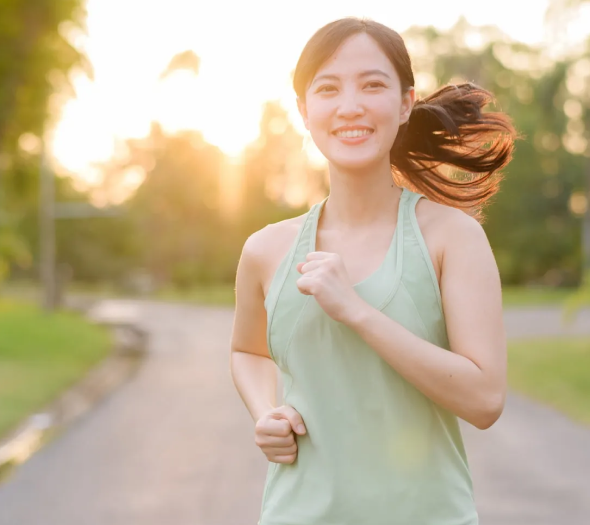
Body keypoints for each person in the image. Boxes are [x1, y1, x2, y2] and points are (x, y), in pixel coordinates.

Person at [230, 16, 516, 525]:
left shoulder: (452, 237)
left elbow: (484, 399)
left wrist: (357, 311)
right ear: (305, 110)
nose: (350, 106)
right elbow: (247, 350)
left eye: (372, 85)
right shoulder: (265, 249)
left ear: (405, 103)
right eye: (328, 88)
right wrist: (264, 412)